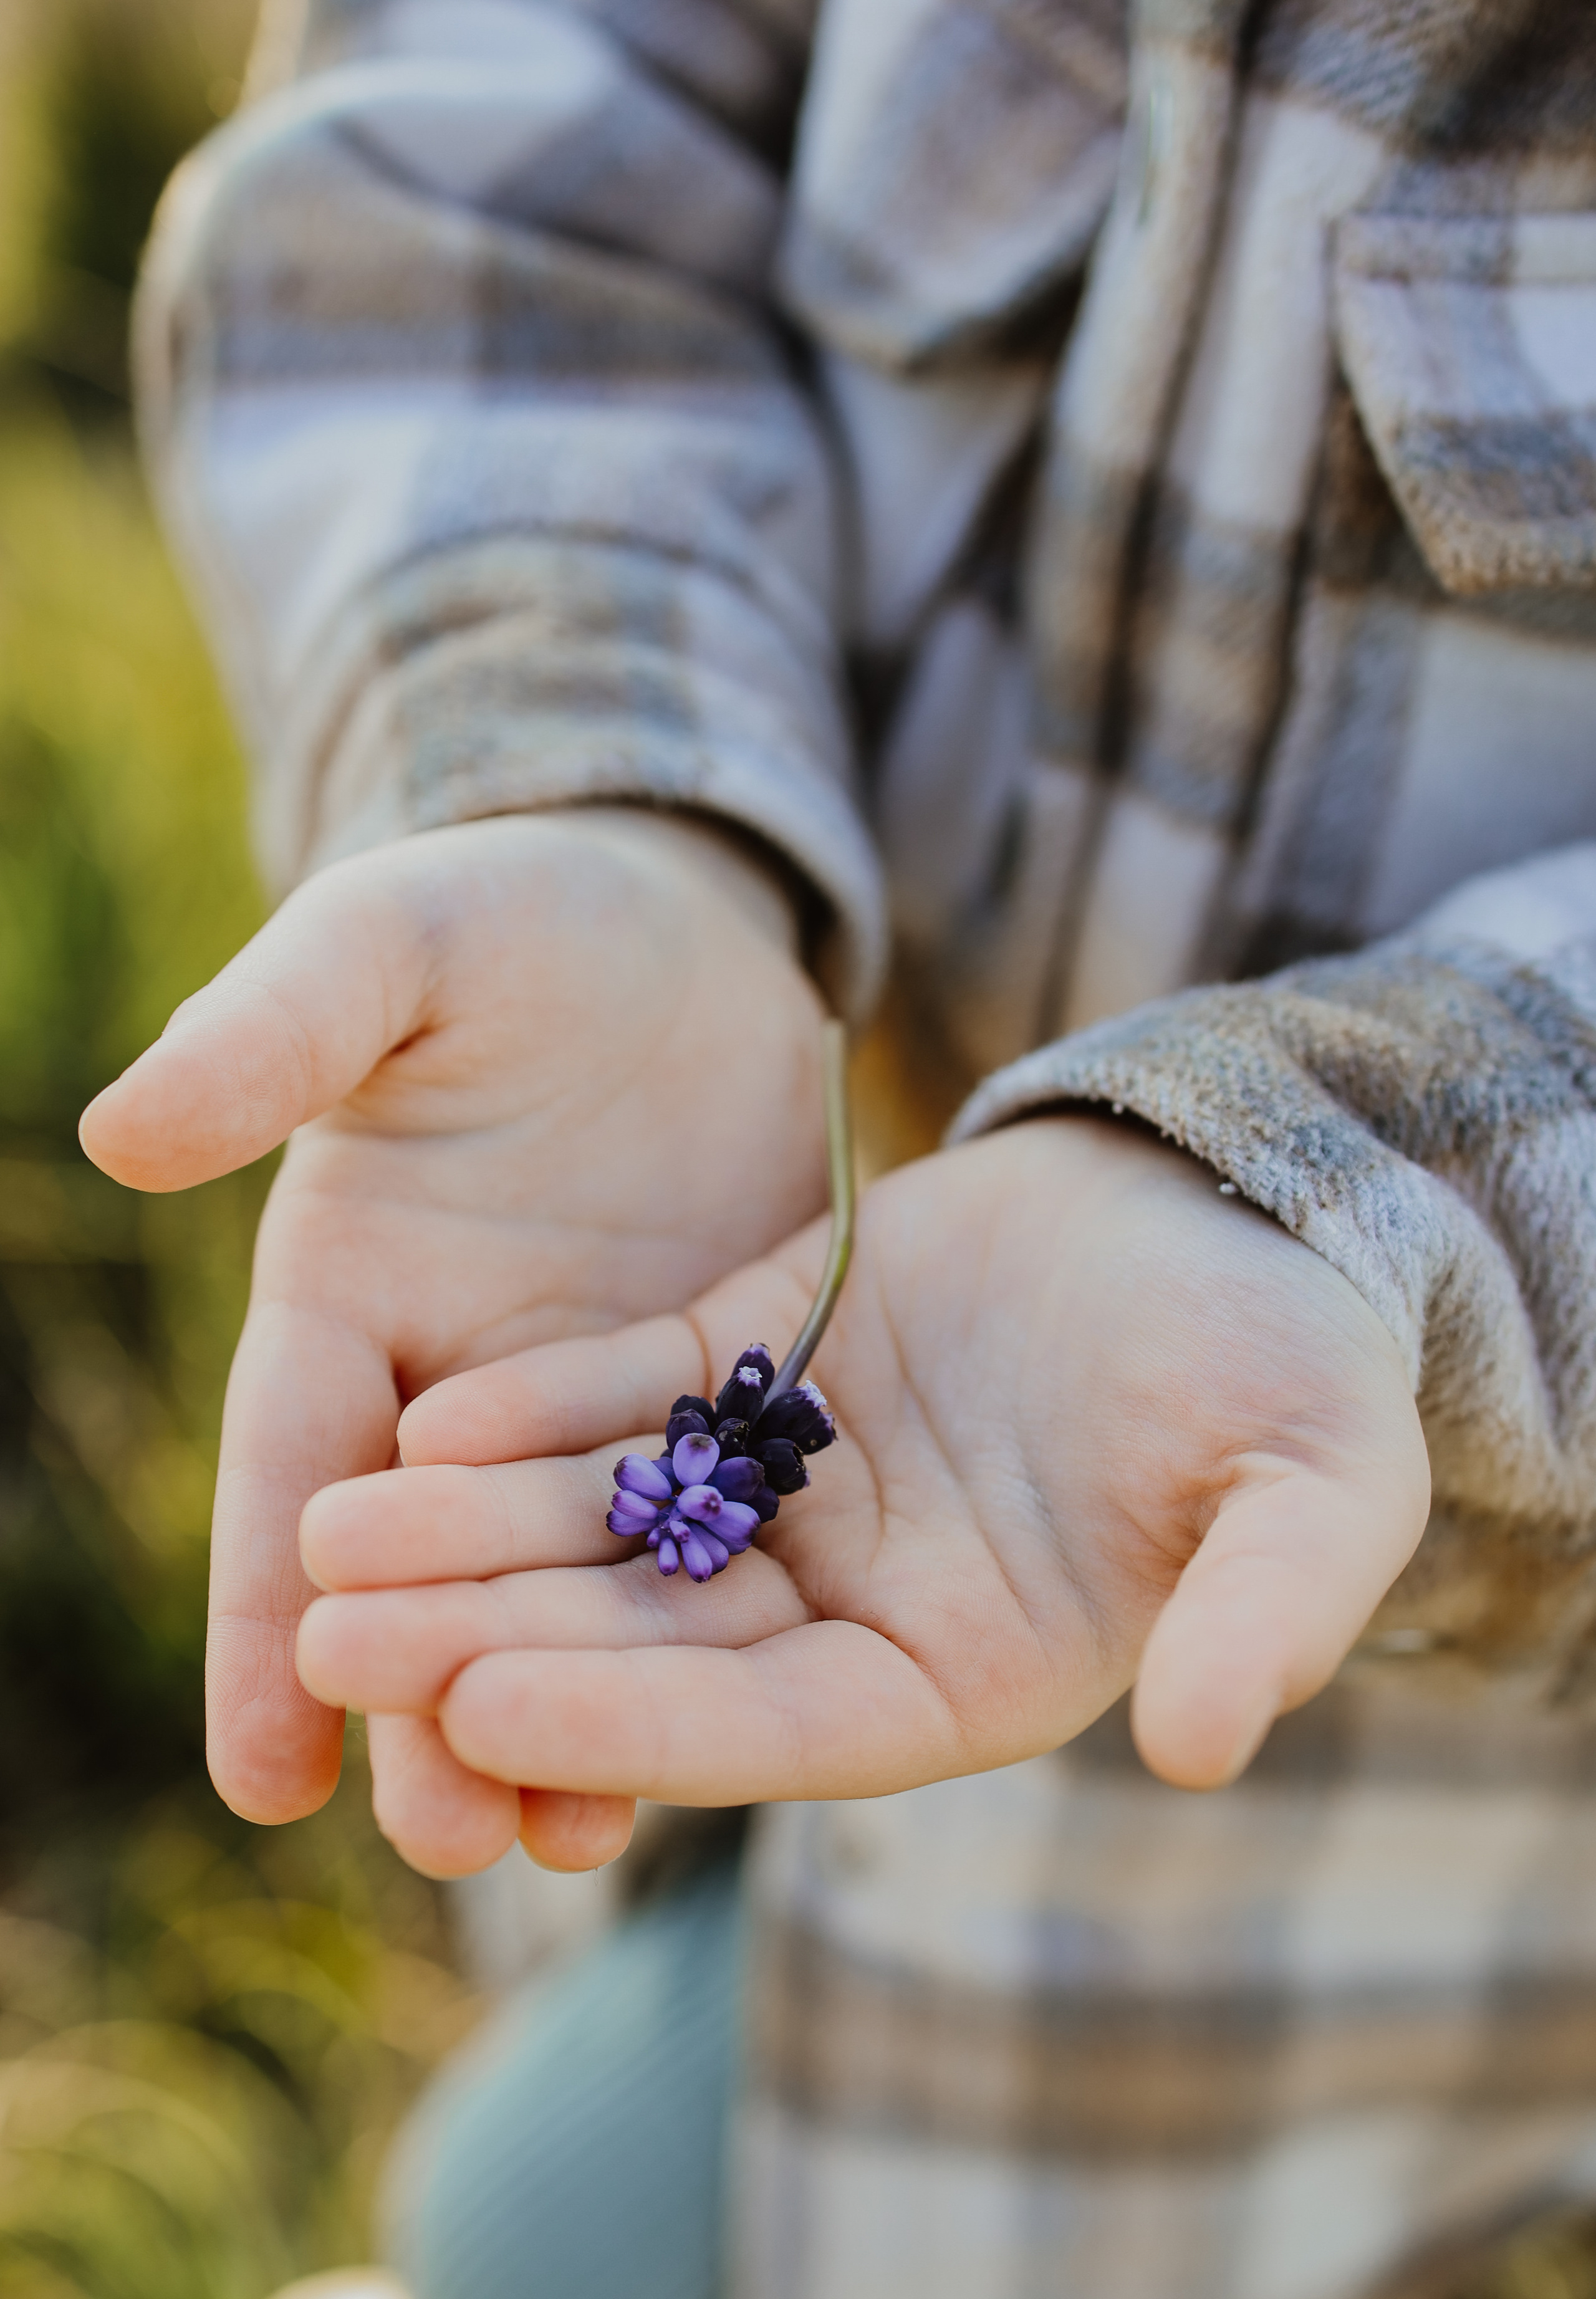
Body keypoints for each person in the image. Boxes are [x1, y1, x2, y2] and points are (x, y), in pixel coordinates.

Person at [80, 0, 1596, 2293]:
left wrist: (1387, 1197)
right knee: (544, 2195)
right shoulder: (709, 1445)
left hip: (1375, 1928)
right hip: (755, 1665)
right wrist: (606, 775)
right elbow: (498, 110)